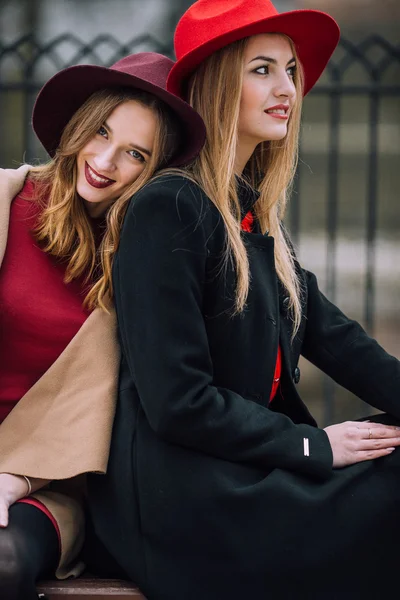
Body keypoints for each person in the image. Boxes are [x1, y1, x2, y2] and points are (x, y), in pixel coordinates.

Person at [87, 1, 400, 599]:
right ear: (215, 84)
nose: (286, 88)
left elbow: (336, 336)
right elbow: (177, 401)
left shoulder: (250, 214)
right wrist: (314, 444)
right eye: (262, 69)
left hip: (246, 473)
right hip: (184, 504)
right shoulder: (168, 208)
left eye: (289, 70)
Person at [0, 51, 205, 600]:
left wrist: (15, 481)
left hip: (49, 481)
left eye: (134, 153)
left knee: (4, 561)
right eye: (101, 132)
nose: (106, 160)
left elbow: (109, 410)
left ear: (154, 171)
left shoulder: (141, 265)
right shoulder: (5, 201)